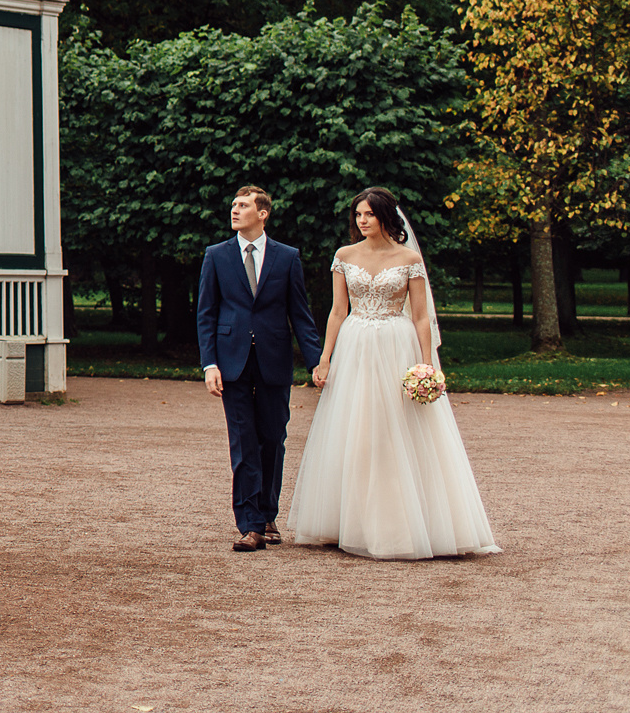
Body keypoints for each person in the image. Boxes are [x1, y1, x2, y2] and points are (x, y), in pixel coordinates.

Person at [287, 187, 499, 559]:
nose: (361, 221)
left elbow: (419, 317)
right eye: (358, 215)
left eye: (368, 214)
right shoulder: (344, 256)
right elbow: (338, 311)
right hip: (355, 345)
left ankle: (405, 523)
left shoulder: (408, 258)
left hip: (395, 346)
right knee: (355, 430)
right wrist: (324, 359)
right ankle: (347, 521)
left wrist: (426, 364)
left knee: (395, 430)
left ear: (386, 217)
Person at [196, 185, 324, 551]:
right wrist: (210, 364)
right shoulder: (216, 256)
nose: (235, 210)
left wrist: (317, 361)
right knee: (243, 442)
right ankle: (249, 524)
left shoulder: (287, 257)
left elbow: (300, 315)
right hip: (231, 362)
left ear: (262, 213)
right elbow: (206, 314)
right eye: (233, 204)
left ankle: (268, 515)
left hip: (274, 361)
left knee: (273, 439)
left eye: (243, 205)